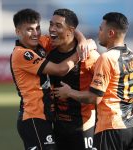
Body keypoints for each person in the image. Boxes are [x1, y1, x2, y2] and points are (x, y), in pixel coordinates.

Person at [53, 12, 133, 150]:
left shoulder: (106, 58)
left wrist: (69, 92)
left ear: (111, 33)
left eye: (101, 29)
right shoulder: (132, 55)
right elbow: (125, 90)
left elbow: (94, 98)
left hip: (112, 127)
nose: (98, 32)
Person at [10, 8, 95, 150]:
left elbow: (69, 32)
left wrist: (83, 40)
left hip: (46, 117)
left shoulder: (40, 43)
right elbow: (60, 69)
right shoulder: (22, 54)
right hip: (33, 117)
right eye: (29, 30)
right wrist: (82, 52)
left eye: (37, 28)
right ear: (18, 32)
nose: (35, 33)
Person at [46, 8, 100, 150]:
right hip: (58, 128)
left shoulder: (90, 56)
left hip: (84, 127)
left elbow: (105, 90)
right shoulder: (47, 50)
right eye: (51, 24)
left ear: (70, 30)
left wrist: (132, 101)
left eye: (58, 26)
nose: (52, 29)